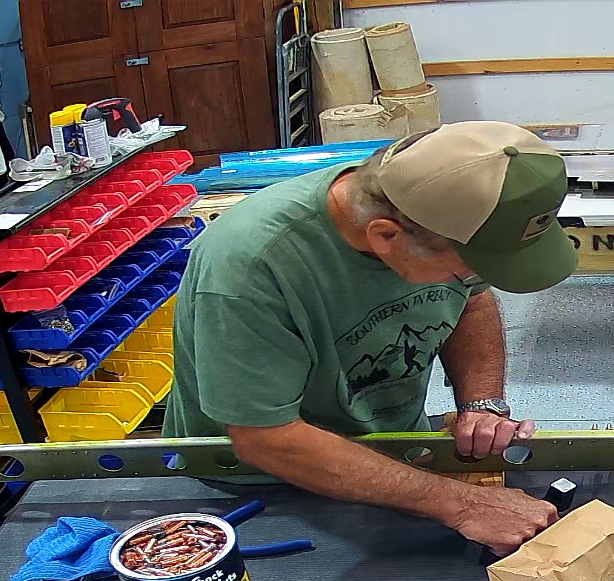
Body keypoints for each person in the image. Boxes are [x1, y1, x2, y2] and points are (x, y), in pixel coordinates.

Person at [166, 122, 577, 554]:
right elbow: (266, 439)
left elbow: (472, 302)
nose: (472, 281)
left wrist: (481, 403)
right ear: (385, 236)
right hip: (260, 485)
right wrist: (463, 504)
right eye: (467, 272)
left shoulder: (441, 217)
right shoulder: (249, 269)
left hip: (390, 454)